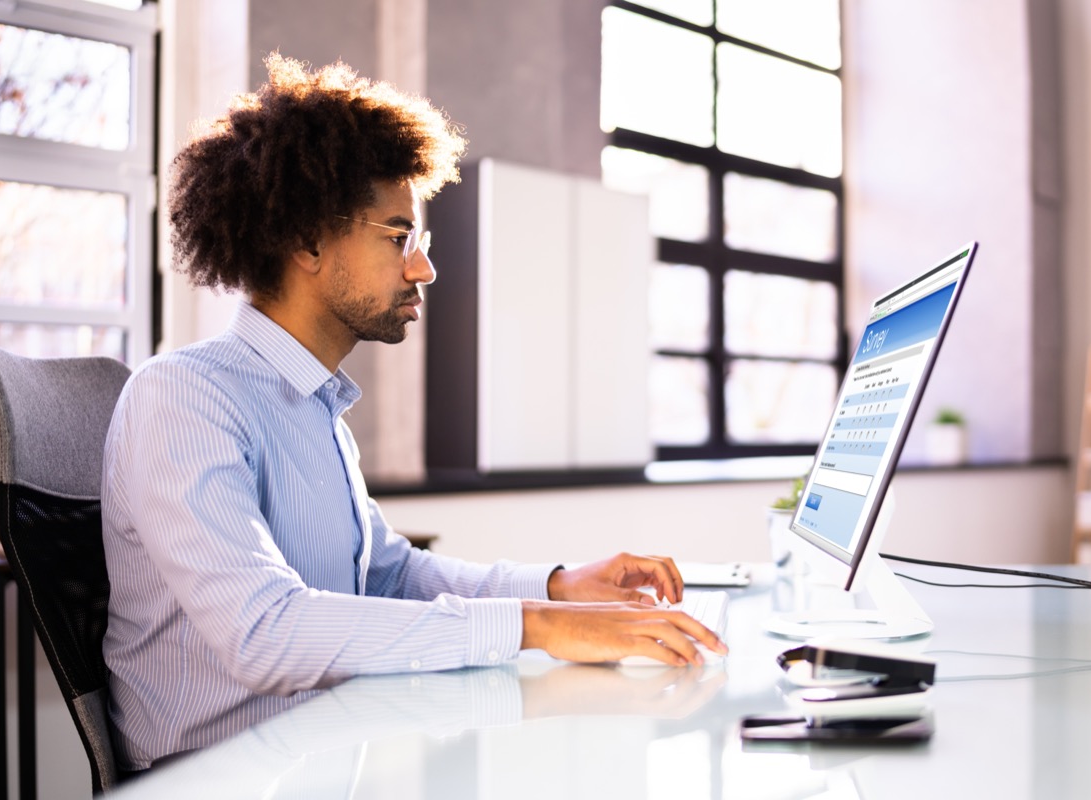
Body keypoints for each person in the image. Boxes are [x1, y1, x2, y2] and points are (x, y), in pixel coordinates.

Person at [101, 53, 726, 772]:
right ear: (306, 239)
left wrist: (559, 587)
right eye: (398, 238)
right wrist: (540, 626)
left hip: (321, 759)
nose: (423, 267)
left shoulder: (315, 411)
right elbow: (264, 631)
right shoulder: (183, 400)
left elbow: (392, 575)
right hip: (225, 780)